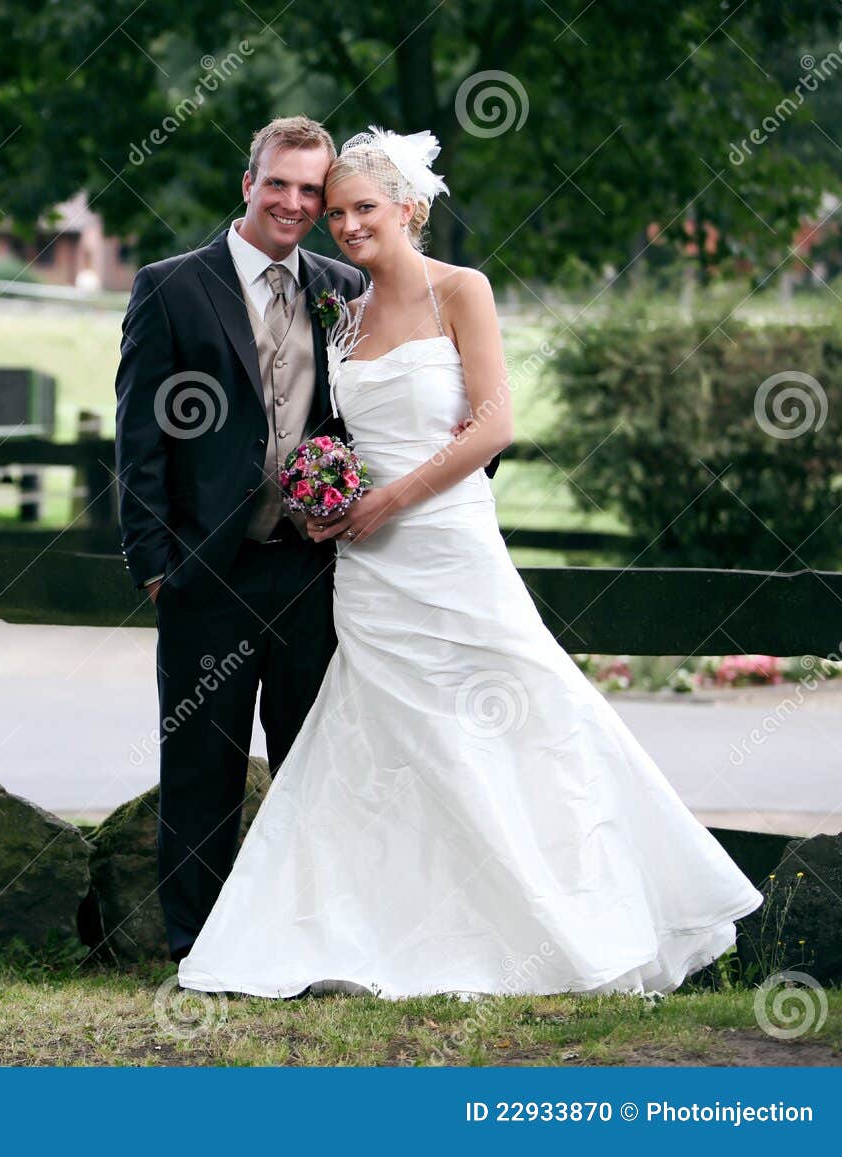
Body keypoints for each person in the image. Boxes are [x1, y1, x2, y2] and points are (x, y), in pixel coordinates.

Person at [175, 127, 763, 1000]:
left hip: (447, 543)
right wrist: (322, 491)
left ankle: (579, 920)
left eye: (362, 208)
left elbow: (493, 424)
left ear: (408, 207)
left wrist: (391, 498)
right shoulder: (344, 309)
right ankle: (382, 928)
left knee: (520, 713)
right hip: (368, 571)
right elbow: (327, 429)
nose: (344, 225)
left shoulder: (465, 290)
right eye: (334, 212)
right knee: (383, 739)